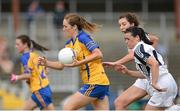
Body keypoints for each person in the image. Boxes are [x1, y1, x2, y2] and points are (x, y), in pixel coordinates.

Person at [38, 13, 110, 110]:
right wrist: (46, 63)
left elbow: (98, 54)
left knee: (68, 107)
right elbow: (61, 65)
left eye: (65, 26)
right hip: (99, 82)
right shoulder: (69, 44)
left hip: (96, 81)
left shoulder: (83, 38)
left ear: (74, 27)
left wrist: (80, 63)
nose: (63, 29)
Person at [103, 13, 159, 110]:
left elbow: (133, 54)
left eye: (124, 24)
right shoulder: (130, 38)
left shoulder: (139, 35)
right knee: (119, 103)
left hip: (155, 77)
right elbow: (154, 40)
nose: (121, 27)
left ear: (132, 24)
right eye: (120, 25)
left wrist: (116, 62)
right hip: (144, 77)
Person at [116, 26, 178, 110]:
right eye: (125, 39)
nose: (126, 42)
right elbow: (147, 73)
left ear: (137, 37)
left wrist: (154, 83)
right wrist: (128, 72)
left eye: (128, 39)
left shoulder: (138, 50)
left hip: (162, 84)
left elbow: (154, 64)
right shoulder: (143, 47)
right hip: (167, 82)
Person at [10, 35, 54, 110]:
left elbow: (28, 75)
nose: (16, 46)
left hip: (40, 90)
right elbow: (46, 71)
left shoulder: (25, 57)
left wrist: (17, 77)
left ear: (25, 44)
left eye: (18, 44)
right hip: (44, 89)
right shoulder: (35, 55)